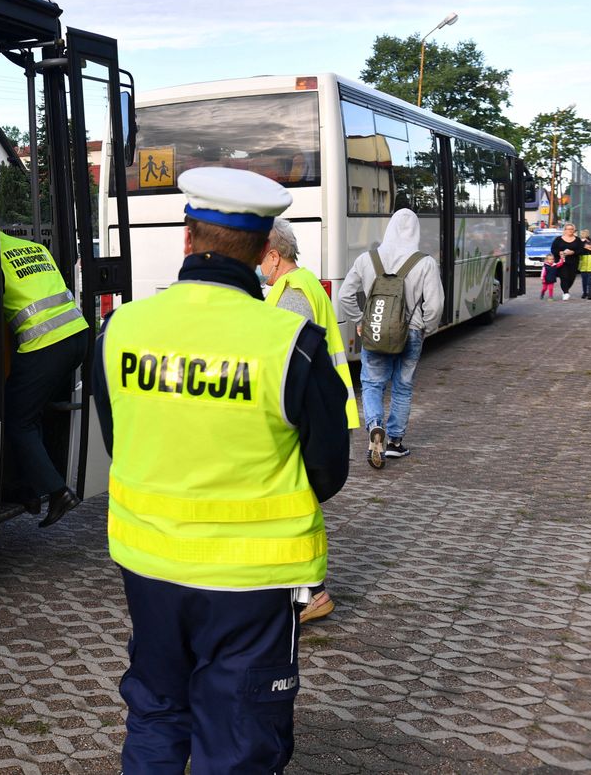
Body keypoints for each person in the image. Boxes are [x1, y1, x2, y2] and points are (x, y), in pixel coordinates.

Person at [94, 167, 350, 773]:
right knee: (237, 737)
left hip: (149, 567)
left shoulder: (119, 328)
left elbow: (118, 436)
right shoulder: (294, 343)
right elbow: (329, 471)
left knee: (156, 713)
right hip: (251, 585)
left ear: (187, 238)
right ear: (265, 251)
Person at [259, 216, 359, 625]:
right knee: (294, 508)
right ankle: (302, 590)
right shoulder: (306, 282)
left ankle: (311, 593)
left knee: (291, 509)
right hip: (321, 411)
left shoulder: (293, 294)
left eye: (258, 256)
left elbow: (288, 365)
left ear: (273, 255)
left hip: (305, 418)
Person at [0, 225, 87, 527]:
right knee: (31, 413)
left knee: (16, 420)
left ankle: (57, 492)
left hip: (45, 343)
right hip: (77, 335)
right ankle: (27, 488)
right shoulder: (31, 247)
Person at [339, 208, 444, 469]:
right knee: (402, 387)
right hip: (411, 332)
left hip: (375, 330)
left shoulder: (367, 259)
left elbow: (344, 296)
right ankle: (395, 443)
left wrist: (360, 321)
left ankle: (375, 427)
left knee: (372, 384)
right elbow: (435, 304)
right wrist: (425, 328)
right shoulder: (425, 262)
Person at [550, 223, 584, 300]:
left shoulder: (577, 240)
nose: (570, 231)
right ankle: (565, 292)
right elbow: (553, 249)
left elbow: (581, 250)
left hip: (573, 262)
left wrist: (573, 252)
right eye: (568, 229)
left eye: (572, 229)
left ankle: (566, 289)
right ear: (564, 230)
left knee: (571, 278)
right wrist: (560, 252)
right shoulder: (558, 239)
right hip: (562, 262)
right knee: (564, 277)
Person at [577, 229, 591, 299]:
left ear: (588, 234)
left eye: (585, 233)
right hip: (583, 264)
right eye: (582, 234)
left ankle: (590, 294)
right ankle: (585, 292)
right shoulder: (580, 242)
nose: (583, 235)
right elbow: (579, 250)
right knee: (584, 281)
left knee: (590, 281)